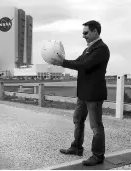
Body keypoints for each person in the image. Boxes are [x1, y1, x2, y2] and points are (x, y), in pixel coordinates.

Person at [50, 20, 110, 166]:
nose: (83, 36)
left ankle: (98, 155)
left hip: (94, 94)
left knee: (96, 126)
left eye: (86, 33)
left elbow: (85, 65)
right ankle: (77, 147)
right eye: (83, 33)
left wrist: (63, 63)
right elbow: (78, 62)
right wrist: (62, 61)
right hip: (83, 93)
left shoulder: (101, 49)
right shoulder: (89, 49)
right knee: (78, 120)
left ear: (95, 31)